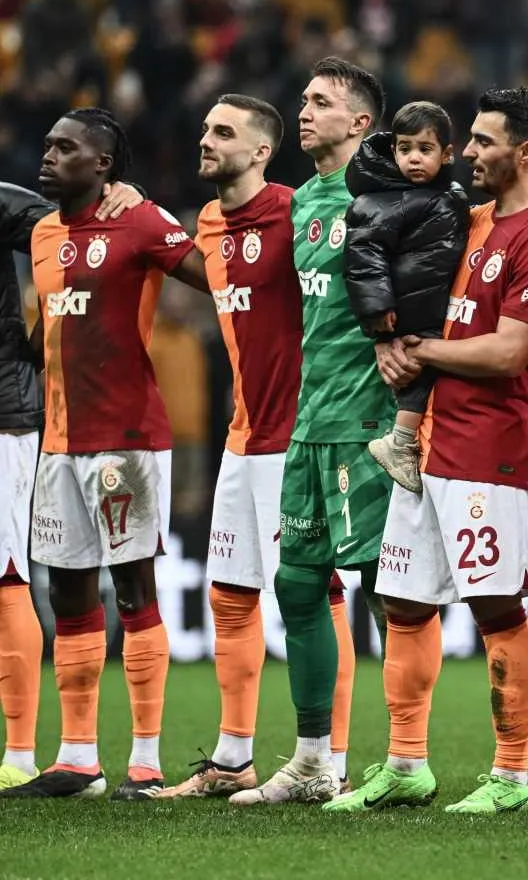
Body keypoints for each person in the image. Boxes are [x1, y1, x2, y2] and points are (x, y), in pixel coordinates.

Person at [327, 88, 528, 815]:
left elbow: (507, 352)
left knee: (495, 606)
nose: (471, 153)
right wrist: (389, 342)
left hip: (492, 446)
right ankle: (405, 765)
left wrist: (418, 351)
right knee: (402, 600)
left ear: (526, 152)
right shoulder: (470, 218)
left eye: (484, 141)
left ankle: (511, 775)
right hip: (425, 440)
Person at [1, 109, 209, 800]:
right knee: (69, 595)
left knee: (135, 590)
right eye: (47, 144)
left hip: (127, 440)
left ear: (103, 165)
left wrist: (152, 205)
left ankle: (146, 761)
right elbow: (51, 333)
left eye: (66, 148)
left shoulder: (139, 222)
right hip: (59, 442)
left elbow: (214, 280)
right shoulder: (42, 233)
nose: (48, 155)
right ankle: (78, 759)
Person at [159, 94, 358, 799]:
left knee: (313, 593)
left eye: (223, 132)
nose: (206, 140)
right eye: (205, 129)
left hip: (297, 437)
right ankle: (232, 757)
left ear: (261, 151)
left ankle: (331, 760)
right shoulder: (210, 222)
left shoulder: (296, 212)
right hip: (241, 439)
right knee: (230, 594)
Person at [231, 57, 394, 807]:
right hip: (308, 421)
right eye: (303, 99)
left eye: (321, 102)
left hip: (369, 424)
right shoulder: (300, 202)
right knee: (297, 585)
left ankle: (408, 758)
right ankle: (312, 761)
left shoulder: (388, 198)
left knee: (390, 593)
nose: (304, 111)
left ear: (360, 122)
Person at [0, 178, 139, 791]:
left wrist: (122, 196)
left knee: (5, 576)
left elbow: (81, 235)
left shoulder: (5, 204)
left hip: (2, 413)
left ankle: (19, 755)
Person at [348, 102, 468, 493]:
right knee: (421, 365)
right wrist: (377, 309)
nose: (413, 158)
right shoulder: (380, 200)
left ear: (446, 154)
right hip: (410, 310)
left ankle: (404, 440)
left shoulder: (450, 194)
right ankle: (400, 441)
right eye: (405, 148)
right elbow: (363, 256)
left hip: (436, 304)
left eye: (424, 149)